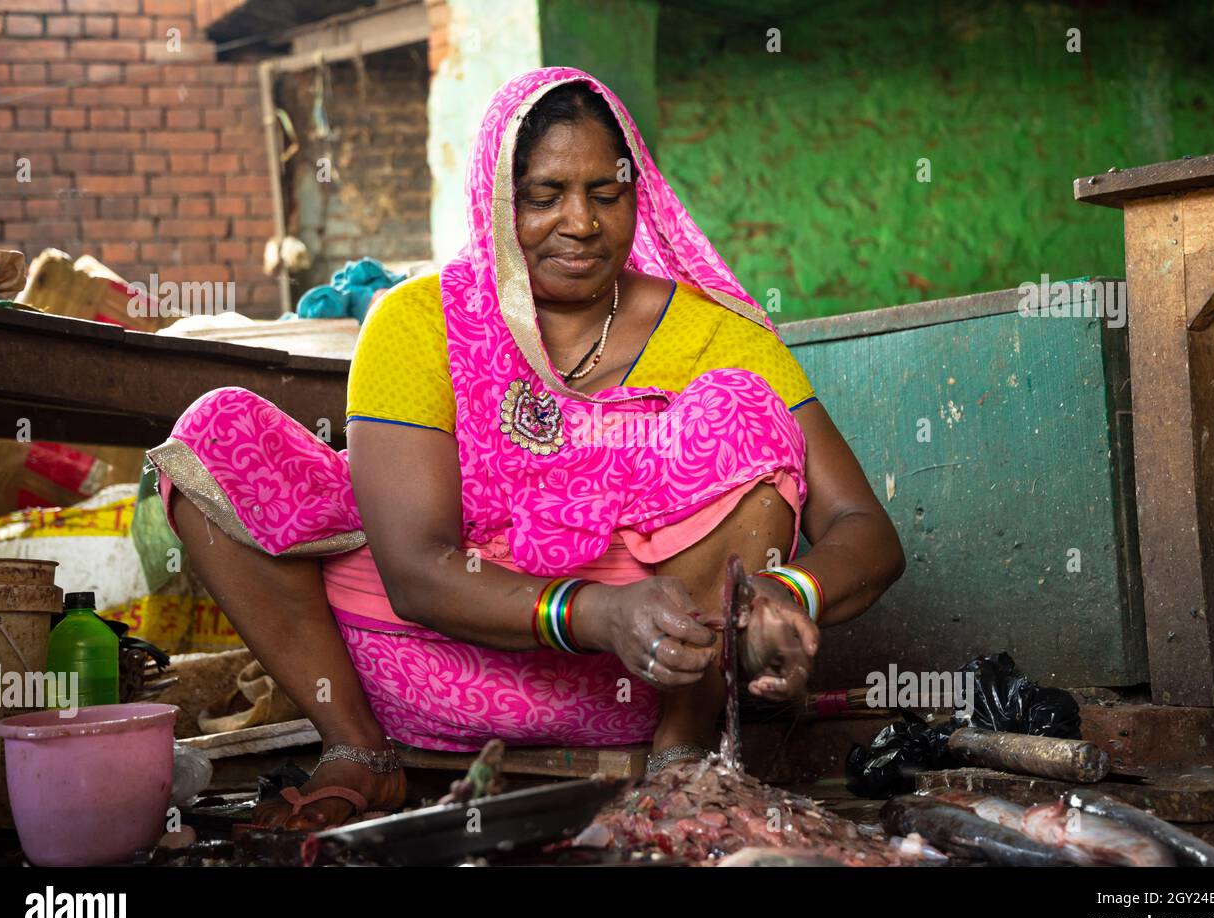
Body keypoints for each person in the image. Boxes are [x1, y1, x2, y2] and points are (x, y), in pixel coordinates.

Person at [145, 67, 904, 831]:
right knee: (216, 436)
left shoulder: (719, 336)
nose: (580, 222)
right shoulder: (418, 324)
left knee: (741, 408)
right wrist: (599, 612)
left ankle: (684, 762)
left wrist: (782, 595)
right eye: (542, 197)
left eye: (606, 194)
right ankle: (359, 753)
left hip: (653, 672)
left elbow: (865, 533)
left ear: (638, 196)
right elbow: (414, 571)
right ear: (494, 198)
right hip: (431, 661)